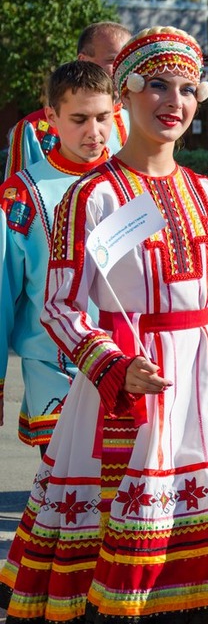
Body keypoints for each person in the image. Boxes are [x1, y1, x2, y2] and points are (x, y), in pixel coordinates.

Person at [0, 27, 208, 624]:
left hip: (203, 397)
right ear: (125, 94)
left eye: (186, 89)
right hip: (125, 393)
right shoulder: (92, 196)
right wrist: (112, 364)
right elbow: (59, 303)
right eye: (156, 85)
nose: (172, 101)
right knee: (123, 546)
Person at [0, 61, 113, 453]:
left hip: (128, 363)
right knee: (69, 497)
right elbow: (3, 295)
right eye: (79, 119)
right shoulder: (23, 194)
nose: (93, 132)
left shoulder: (131, 181)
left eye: (103, 117)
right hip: (54, 368)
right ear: (51, 117)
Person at [4, 21, 131, 179]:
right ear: (82, 60)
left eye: (127, 62)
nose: (123, 69)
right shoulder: (34, 129)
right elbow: (17, 196)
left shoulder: (135, 120)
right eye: (113, 60)